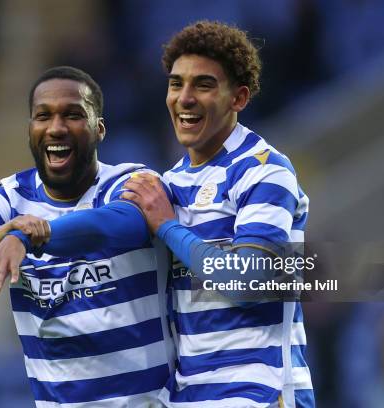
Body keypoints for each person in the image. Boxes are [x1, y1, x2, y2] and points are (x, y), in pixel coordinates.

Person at [0, 66, 175, 407]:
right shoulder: (7, 199)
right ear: (30, 130)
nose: (56, 128)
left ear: (99, 129)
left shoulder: (132, 180)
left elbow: (123, 224)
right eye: (43, 116)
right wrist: (2, 237)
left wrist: (29, 237)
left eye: (73, 115)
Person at [121, 21, 315, 407]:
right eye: (176, 84)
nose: (185, 98)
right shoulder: (169, 183)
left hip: (260, 394)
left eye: (203, 85)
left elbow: (250, 283)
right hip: (191, 397)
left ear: (238, 99)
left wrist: (168, 227)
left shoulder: (265, 170)